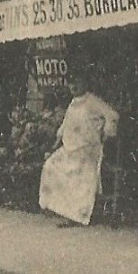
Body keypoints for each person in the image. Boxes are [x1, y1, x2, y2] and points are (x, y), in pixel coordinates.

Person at [39, 76, 120, 226]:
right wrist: (55, 143)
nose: (73, 86)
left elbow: (112, 115)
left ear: (85, 83)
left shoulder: (92, 101)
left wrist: (106, 133)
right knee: (50, 165)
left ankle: (77, 214)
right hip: (69, 148)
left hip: (87, 150)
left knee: (76, 172)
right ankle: (59, 208)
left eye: (76, 82)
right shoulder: (73, 104)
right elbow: (65, 126)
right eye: (71, 83)